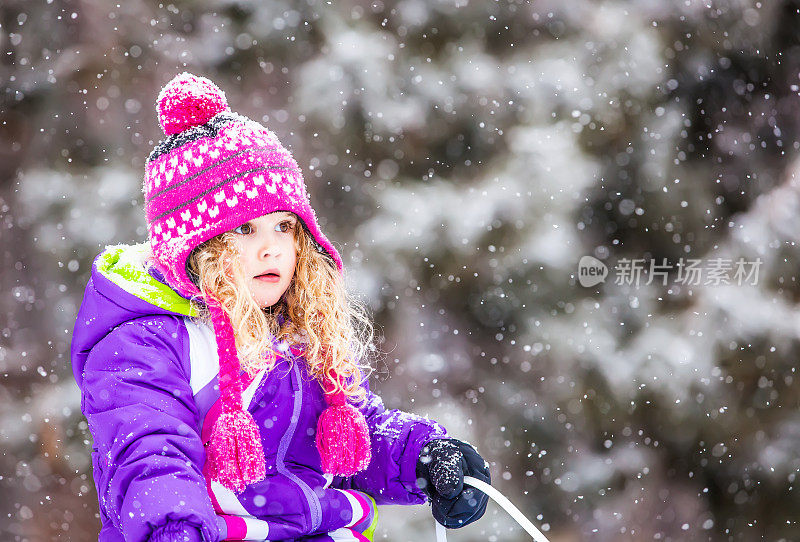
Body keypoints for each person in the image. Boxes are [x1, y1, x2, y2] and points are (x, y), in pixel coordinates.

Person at [70, 72, 490, 542]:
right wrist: (176, 529)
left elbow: (355, 431)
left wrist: (421, 458)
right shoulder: (145, 342)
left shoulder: (298, 332)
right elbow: (149, 454)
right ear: (195, 247)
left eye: (284, 227)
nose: (272, 249)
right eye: (245, 230)